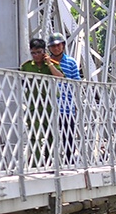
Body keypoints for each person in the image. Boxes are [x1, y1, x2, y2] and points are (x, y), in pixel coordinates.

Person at [20, 38, 64, 165]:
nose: (36, 56)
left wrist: (49, 64)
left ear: (44, 52)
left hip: (50, 105)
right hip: (33, 105)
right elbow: (22, 83)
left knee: (51, 134)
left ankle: (51, 161)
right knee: (35, 134)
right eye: (33, 53)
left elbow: (60, 77)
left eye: (38, 52)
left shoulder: (52, 64)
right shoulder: (27, 66)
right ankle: (37, 162)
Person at [47, 33, 81, 164]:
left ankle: (69, 162)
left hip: (66, 106)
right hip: (49, 106)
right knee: (49, 135)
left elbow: (76, 81)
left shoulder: (71, 62)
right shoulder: (46, 63)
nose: (56, 48)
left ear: (63, 46)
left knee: (68, 136)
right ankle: (49, 162)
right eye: (53, 46)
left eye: (58, 45)